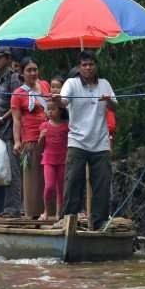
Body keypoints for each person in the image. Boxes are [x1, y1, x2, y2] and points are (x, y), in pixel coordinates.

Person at [56, 50, 117, 229]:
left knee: (102, 185)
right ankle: (69, 219)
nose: (88, 68)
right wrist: (57, 100)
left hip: (101, 143)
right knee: (73, 181)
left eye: (91, 64)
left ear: (96, 66)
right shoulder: (71, 83)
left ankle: (99, 223)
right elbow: (64, 102)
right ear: (79, 67)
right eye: (84, 65)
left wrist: (108, 101)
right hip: (77, 142)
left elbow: (114, 106)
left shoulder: (105, 84)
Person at [11, 56, 51, 219]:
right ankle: (32, 213)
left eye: (35, 69)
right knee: (32, 178)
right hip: (30, 140)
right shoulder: (18, 94)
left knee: (48, 177)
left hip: (50, 138)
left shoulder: (45, 86)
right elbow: (17, 120)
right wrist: (17, 141)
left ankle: (50, 211)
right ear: (22, 73)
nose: (33, 73)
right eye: (29, 70)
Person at [0, 46, 22, 217]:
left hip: (10, 131)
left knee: (12, 170)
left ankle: (13, 208)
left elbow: (17, 105)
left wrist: (2, 118)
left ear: (8, 59)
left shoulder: (14, 79)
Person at [38, 99, 69, 221]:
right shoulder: (45, 126)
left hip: (62, 160)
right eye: (48, 109)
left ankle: (58, 214)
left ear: (60, 111)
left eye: (53, 109)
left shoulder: (66, 126)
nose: (50, 112)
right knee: (49, 186)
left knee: (61, 188)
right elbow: (40, 146)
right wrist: (41, 137)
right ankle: (45, 211)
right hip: (48, 160)